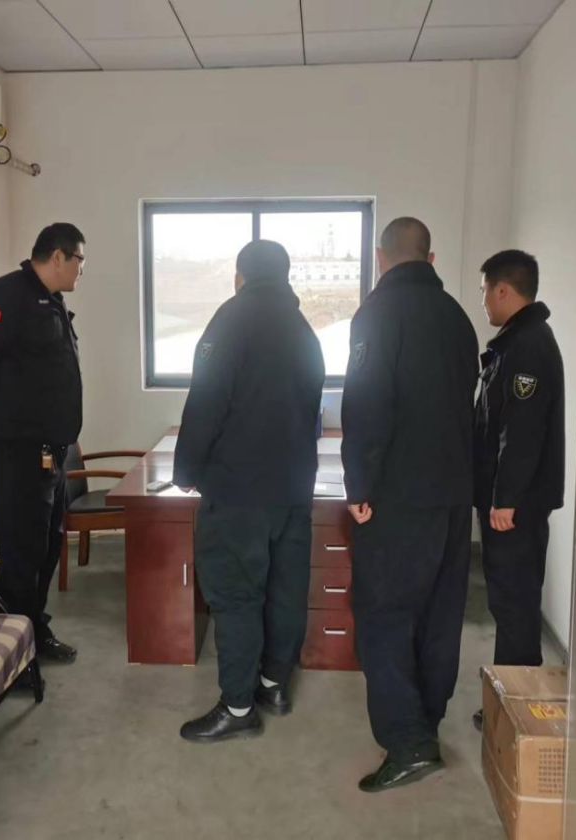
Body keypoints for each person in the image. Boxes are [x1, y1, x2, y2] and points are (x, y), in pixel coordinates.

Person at [341, 217, 479, 792]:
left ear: (380, 257)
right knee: (439, 614)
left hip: (399, 498)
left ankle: (407, 741)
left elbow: (366, 406)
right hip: (454, 497)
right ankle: (427, 719)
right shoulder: (458, 317)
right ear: (431, 257)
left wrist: (359, 485)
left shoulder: (378, 314)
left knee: (384, 612)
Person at [174, 240, 326, 743]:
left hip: (238, 490)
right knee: (285, 588)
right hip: (293, 488)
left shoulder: (231, 320)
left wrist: (185, 469)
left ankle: (238, 708)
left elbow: (205, 403)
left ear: (240, 276)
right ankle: (273, 685)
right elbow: (312, 412)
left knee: (237, 595)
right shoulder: (304, 331)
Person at [0, 223, 85, 664]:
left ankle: (32, 628)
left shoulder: (50, 299)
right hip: (17, 449)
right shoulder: (6, 294)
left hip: (50, 450)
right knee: (20, 549)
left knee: (46, 545)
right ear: (57, 256)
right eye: (80, 260)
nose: (81, 269)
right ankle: (13, 649)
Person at [472, 249, 565, 730]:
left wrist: (504, 499)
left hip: (516, 507)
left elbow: (522, 432)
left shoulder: (527, 346)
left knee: (515, 605)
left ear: (503, 290)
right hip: (512, 502)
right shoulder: (518, 341)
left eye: (485, 291)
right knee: (511, 603)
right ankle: (511, 701)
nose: (484, 301)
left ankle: (515, 710)